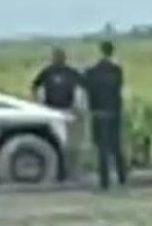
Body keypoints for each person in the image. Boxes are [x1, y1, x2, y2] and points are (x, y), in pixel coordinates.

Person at [31, 47, 86, 179]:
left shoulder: (70, 72)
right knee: (57, 141)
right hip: (51, 111)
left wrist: (79, 106)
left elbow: (84, 85)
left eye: (60, 57)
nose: (58, 59)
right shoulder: (48, 71)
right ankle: (60, 171)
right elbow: (35, 85)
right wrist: (38, 101)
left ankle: (68, 171)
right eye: (56, 57)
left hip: (67, 111)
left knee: (67, 143)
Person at [84, 41, 128, 191]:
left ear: (100, 51)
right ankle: (122, 176)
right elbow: (119, 88)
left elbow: (88, 90)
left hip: (98, 112)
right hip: (114, 111)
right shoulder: (117, 70)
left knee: (101, 147)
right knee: (116, 145)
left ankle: (104, 180)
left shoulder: (92, 71)